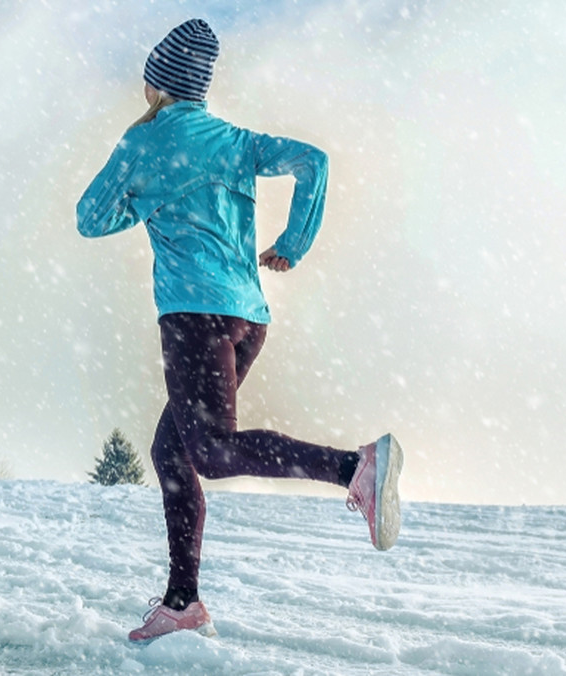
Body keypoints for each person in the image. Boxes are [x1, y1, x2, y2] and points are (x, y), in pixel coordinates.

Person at [76, 19, 404, 642]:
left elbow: (89, 218)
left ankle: (354, 465)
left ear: (159, 82)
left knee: (210, 451)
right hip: (247, 318)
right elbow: (314, 160)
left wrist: (140, 203)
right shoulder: (233, 140)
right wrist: (294, 242)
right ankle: (183, 604)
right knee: (172, 451)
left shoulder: (141, 144)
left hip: (193, 317)